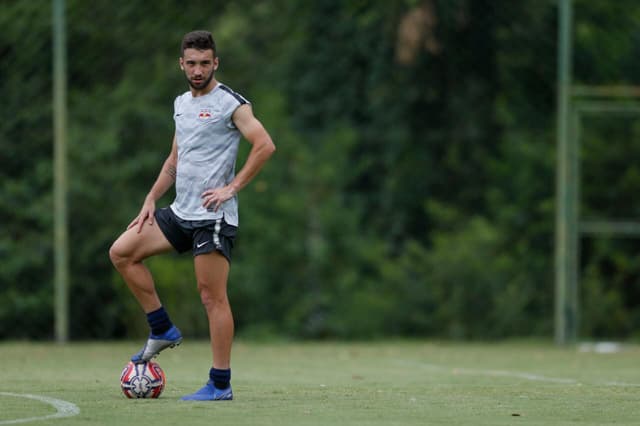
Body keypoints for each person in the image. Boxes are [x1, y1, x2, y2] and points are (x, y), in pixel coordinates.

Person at [109, 30, 275, 401]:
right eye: (191, 63)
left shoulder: (231, 103)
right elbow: (174, 159)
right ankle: (161, 327)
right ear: (181, 64)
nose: (197, 70)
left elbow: (265, 145)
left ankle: (220, 384)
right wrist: (151, 198)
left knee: (211, 297)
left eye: (205, 63)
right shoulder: (181, 103)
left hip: (212, 216)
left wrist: (232, 189)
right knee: (122, 252)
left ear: (215, 63)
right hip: (180, 212)